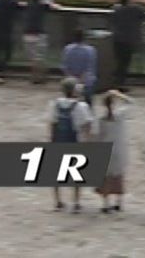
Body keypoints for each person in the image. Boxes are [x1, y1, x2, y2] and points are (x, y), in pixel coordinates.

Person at [47, 78, 93, 212]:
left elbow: (52, 123)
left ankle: (57, 201)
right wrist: (87, 140)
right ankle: (76, 202)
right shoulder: (81, 106)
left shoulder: (54, 104)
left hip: (58, 141)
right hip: (74, 140)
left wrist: (51, 139)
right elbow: (87, 124)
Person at [93, 90, 132, 213]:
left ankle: (106, 204)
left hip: (106, 150)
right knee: (118, 177)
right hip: (119, 150)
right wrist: (118, 94)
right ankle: (119, 203)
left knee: (106, 178)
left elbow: (98, 137)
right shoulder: (119, 116)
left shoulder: (101, 120)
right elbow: (131, 102)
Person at [109, 0, 145, 91]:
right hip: (128, 40)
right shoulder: (134, 9)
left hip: (117, 39)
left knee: (119, 62)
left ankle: (116, 83)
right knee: (124, 63)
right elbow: (143, 12)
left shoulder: (116, 9)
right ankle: (120, 84)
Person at [22, 0, 51, 84]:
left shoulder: (28, 4)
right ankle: (40, 77)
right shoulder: (42, 6)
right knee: (40, 57)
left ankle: (34, 77)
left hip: (27, 33)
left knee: (32, 58)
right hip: (39, 34)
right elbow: (49, 4)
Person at [60, 28, 96, 97]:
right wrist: (80, 81)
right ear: (84, 38)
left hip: (70, 82)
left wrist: (72, 79)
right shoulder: (90, 50)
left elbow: (64, 66)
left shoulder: (67, 49)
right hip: (86, 82)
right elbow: (90, 67)